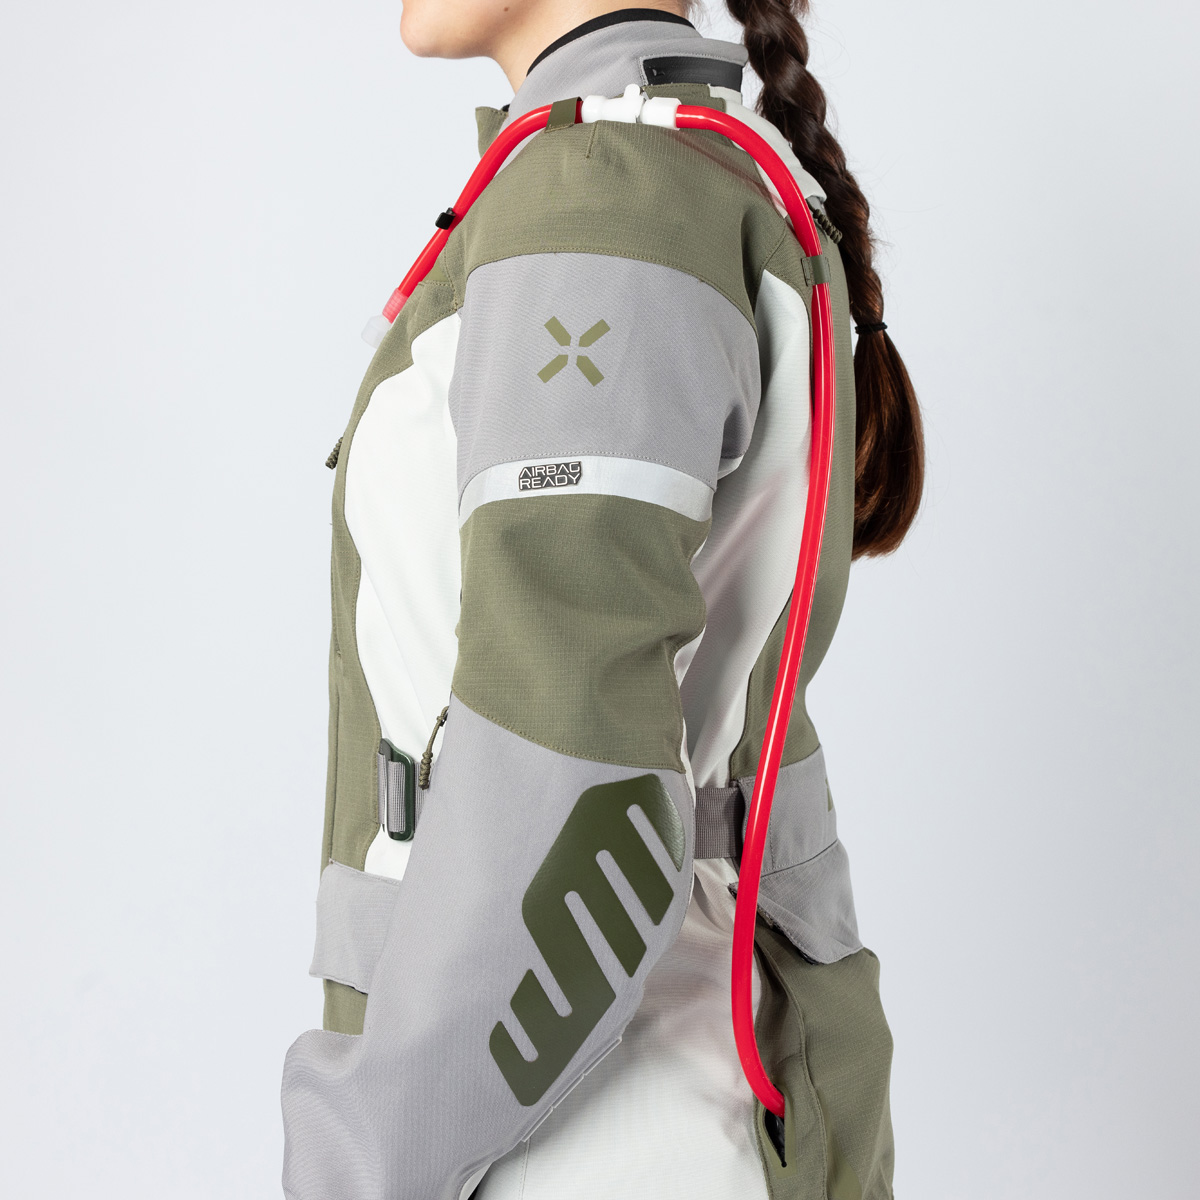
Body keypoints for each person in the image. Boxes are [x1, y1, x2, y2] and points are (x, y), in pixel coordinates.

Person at [280, 3, 923, 1198]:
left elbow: (574, 776)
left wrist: (364, 1159)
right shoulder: (669, 165)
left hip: (582, 1133)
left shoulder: (600, 194)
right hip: (647, 1090)